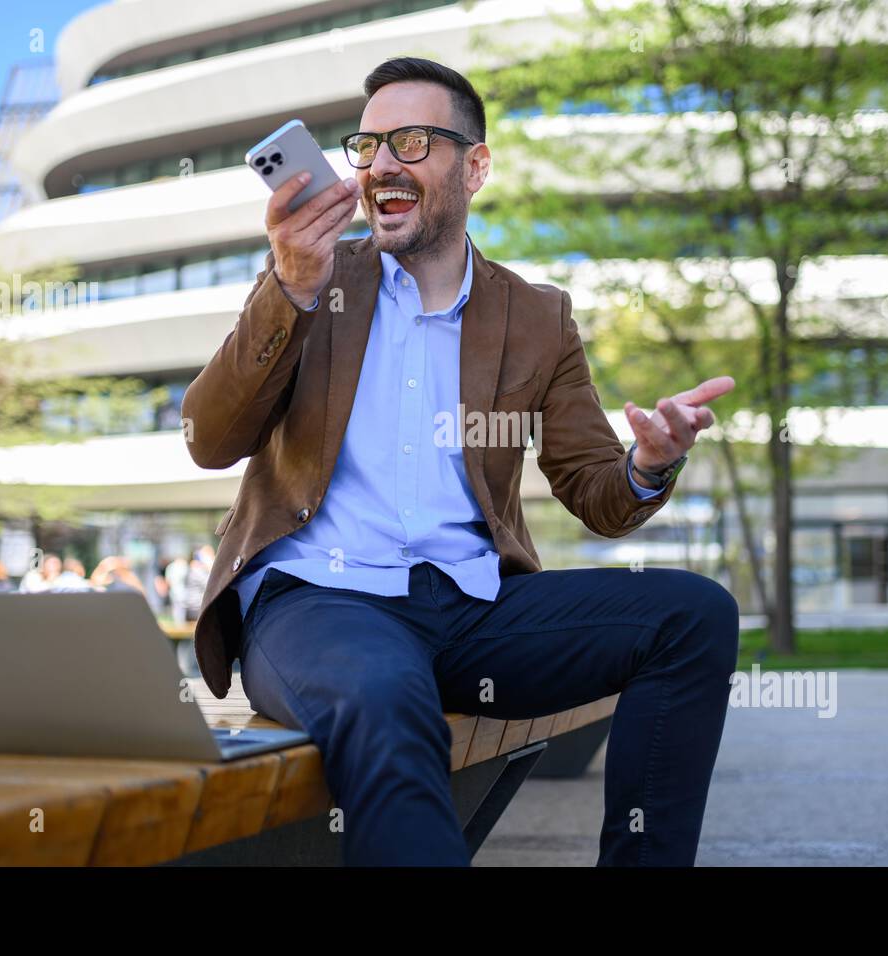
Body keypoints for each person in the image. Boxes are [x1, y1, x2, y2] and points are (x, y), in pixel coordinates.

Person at [180, 57, 739, 866]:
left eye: (411, 142)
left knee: (694, 615)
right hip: (320, 604)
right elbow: (208, 437)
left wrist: (648, 464)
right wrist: (291, 291)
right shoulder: (313, 282)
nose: (380, 167)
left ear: (475, 166)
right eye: (366, 147)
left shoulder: (538, 316)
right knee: (385, 694)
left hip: (474, 610)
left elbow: (595, 493)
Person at [165, 554, 190, 626]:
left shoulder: (170, 567)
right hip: (183, 592)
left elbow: (168, 581)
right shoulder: (184, 566)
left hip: (175, 592)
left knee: (176, 610)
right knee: (181, 611)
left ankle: (178, 625)